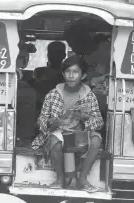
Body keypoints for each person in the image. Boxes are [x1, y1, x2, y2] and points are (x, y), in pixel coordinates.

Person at [31, 55, 104, 192]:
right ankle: (59, 179)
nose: (71, 76)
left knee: (96, 140)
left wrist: (85, 118)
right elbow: (41, 119)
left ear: (83, 76)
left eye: (75, 72)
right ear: (63, 74)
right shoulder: (53, 95)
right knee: (54, 140)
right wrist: (49, 123)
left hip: (81, 134)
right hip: (59, 133)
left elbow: (99, 122)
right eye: (68, 72)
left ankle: (83, 179)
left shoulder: (89, 96)